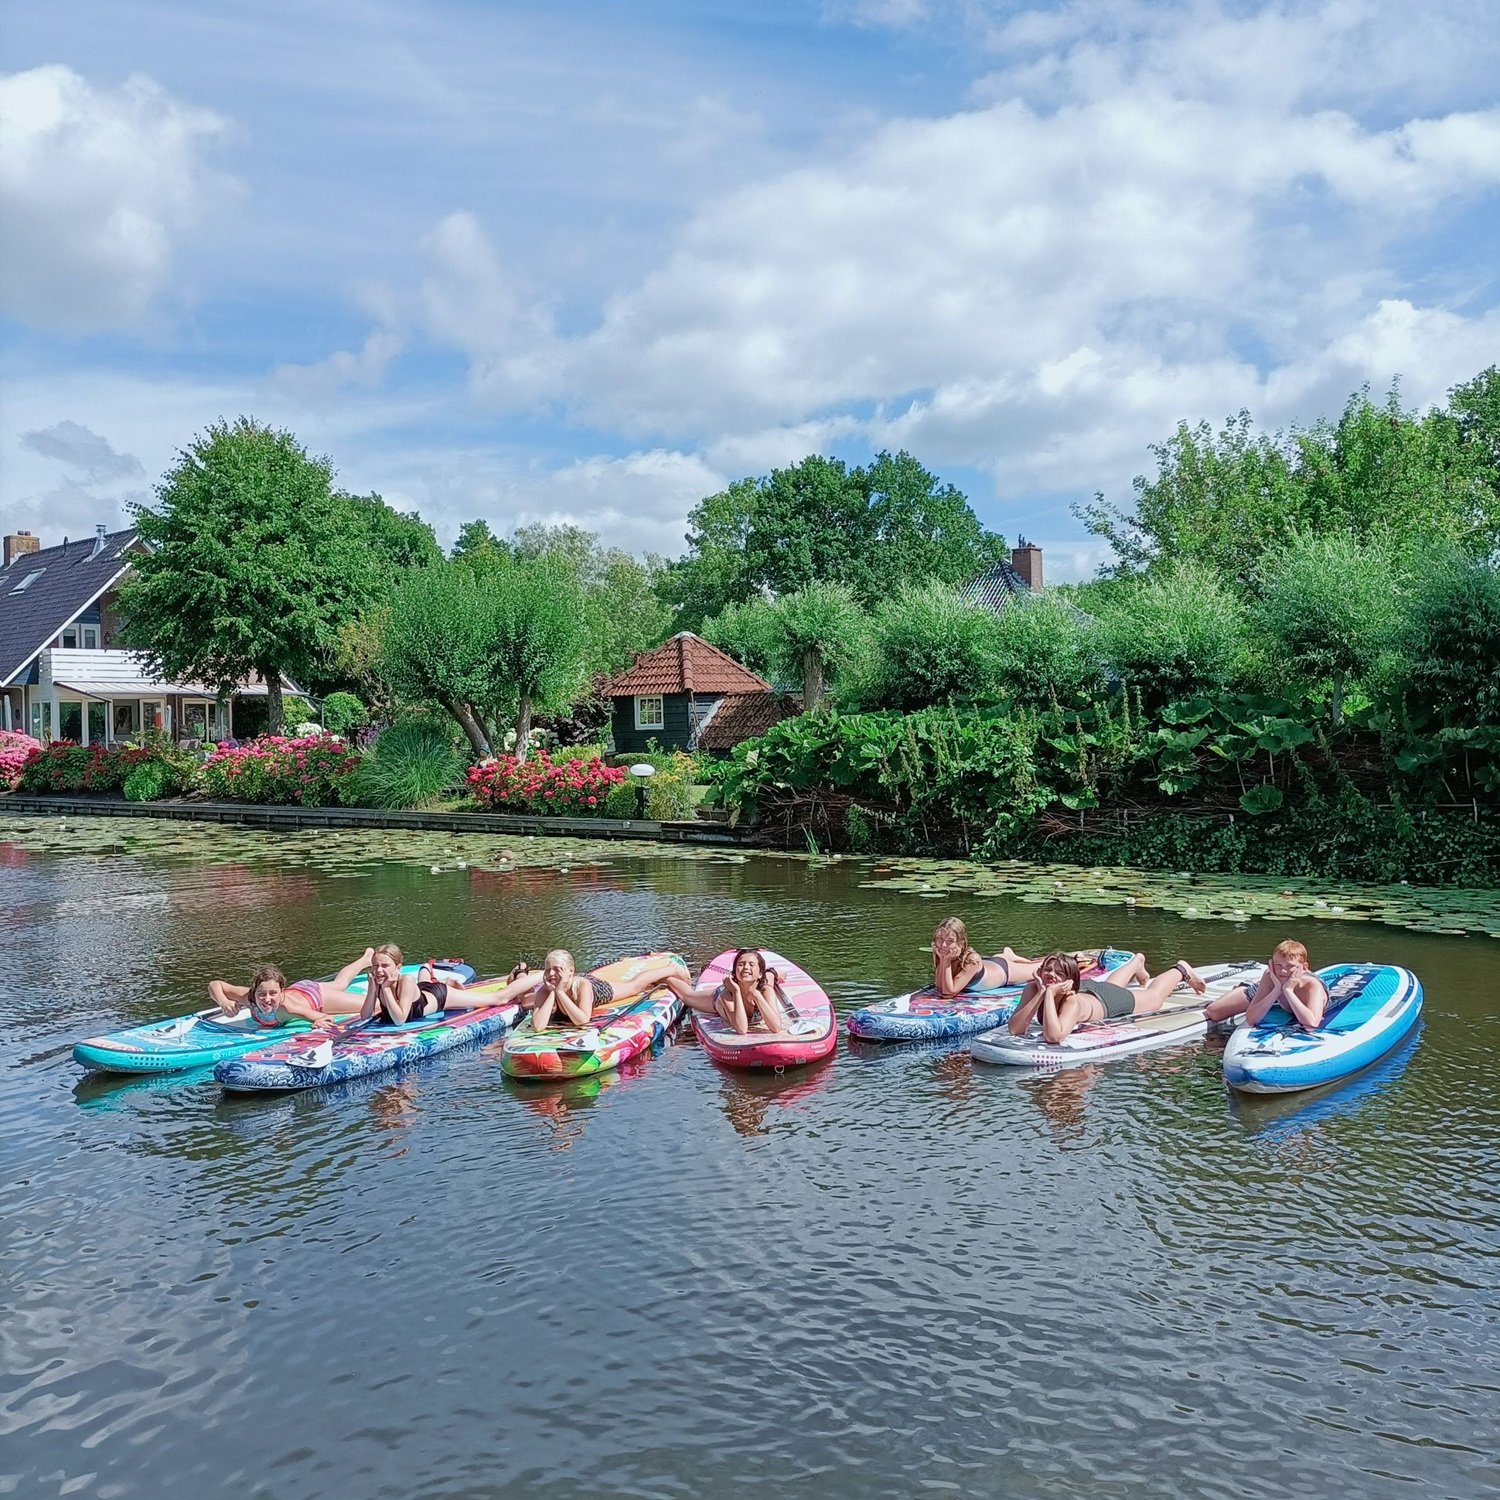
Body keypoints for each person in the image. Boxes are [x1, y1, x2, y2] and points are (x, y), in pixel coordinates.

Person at [1007, 951, 1207, 1045]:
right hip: (1091, 991)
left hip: (1107, 1001)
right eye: (1047, 970)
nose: (1051, 975)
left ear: (1069, 980)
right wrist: (1041, 993)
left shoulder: (1071, 1001)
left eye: (1059, 973)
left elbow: (1054, 1037)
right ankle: (1136, 963)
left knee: (1154, 998)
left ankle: (1180, 970)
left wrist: (1050, 994)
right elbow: (1015, 1029)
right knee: (1110, 985)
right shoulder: (1034, 988)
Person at [487, 950, 686, 1032]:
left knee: (634, 987)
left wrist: (560, 993)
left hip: (596, 990)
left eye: (558, 969)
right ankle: (521, 973)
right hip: (561, 991)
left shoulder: (583, 986)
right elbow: (538, 1026)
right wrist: (553, 993)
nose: (552, 973)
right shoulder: (545, 991)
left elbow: (582, 1019)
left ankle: (670, 969)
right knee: (526, 1002)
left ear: (570, 971)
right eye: (548, 970)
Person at [929, 916, 1092, 997]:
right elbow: (940, 986)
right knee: (1028, 962)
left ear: (961, 942)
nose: (944, 945)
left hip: (1005, 971)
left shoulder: (972, 960)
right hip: (992, 963)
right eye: (940, 939)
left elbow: (948, 992)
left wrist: (945, 960)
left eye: (950, 941)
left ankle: (1073, 957)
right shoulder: (943, 952)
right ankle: (1008, 955)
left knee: (1040, 967)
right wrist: (942, 959)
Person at [207, 952, 371, 1029]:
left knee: (372, 1004)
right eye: (261, 994)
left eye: (273, 994)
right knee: (338, 984)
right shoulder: (247, 997)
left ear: (281, 992)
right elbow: (215, 984)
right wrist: (224, 1002)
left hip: (315, 997)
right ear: (254, 993)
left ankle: (366, 960)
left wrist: (319, 1022)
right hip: (298, 989)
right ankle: (365, 960)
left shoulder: (287, 1008)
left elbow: (323, 1017)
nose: (267, 999)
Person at [1204, 940, 1327, 1031]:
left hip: (1296, 986)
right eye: (1278, 965)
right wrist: (1276, 990)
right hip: (1272, 984)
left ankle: (1263, 985)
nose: (1283, 971)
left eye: (1290, 966)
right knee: (1214, 1011)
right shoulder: (1271, 976)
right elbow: (1251, 1019)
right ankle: (1248, 985)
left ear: (1304, 967)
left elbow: (1311, 1024)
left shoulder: (1312, 985)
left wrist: (1288, 990)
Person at [662, 948, 790, 1035]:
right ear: (735, 972)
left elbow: (776, 1027)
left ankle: (773, 972)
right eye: (741, 964)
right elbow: (741, 1029)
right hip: (718, 999)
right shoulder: (727, 994)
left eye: (751, 964)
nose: (745, 967)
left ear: (760, 973)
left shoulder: (766, 990)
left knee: (769, 978)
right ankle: (667, 975)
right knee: (687, 997)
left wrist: (756, 995)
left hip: (761, 981)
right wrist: (736, 992)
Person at [357, 944, 474, 1026]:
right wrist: (372, 989)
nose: (378, 970)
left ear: (398, 968)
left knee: (485, 1001)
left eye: (385, 966)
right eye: (375, 966)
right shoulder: (378, 982)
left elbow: (399, 1020)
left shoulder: (406, 980)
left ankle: (444, 982)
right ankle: (427, 969)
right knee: (423, 983)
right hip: (421, 990)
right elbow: (365, 1017)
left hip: (440, 996)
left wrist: (386, 988)